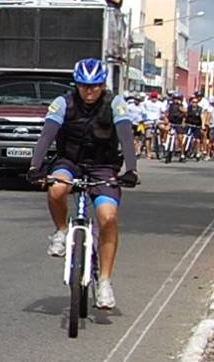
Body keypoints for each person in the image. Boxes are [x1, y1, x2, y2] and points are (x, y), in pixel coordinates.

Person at [28, 58, 139, 311]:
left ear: (103, 85)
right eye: (84, 86)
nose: (89, 92)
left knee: (108, 217)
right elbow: (47, 134)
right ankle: (61, 230)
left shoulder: (115, 104)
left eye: (95, 86)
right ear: (76, 85)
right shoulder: (62, 103)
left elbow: (125, 136)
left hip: (103, 165)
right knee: (56, 188)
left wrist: (131, 169)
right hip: (70, 161)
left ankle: (105, 283)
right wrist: (35, 167)